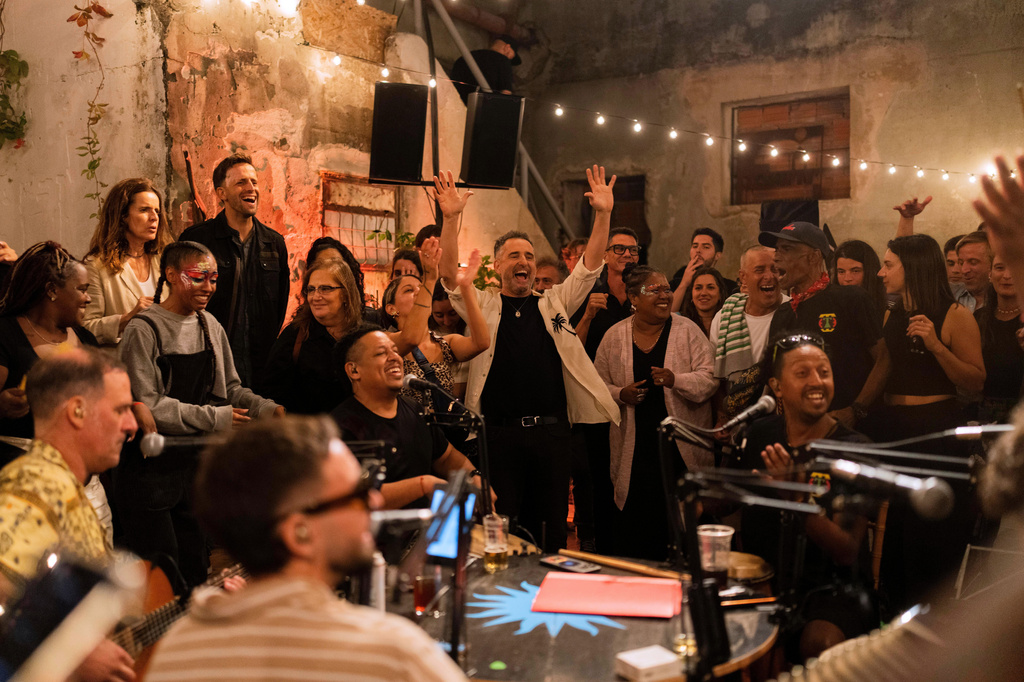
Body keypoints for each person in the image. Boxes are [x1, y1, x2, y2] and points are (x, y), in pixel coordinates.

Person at [145, 415, 467, 681]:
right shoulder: (392, 654)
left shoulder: (178, 650)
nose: (376, 500)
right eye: (357, 494)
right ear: (299, 533)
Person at [437, 167, 620, 551]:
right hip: (499, 435)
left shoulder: (554, 302)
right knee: (503, 529)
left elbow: (588, 268)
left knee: (553, 529)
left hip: (552, 435)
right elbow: (451, 279)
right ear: (497, 265)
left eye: (530, 256)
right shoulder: (483, 303)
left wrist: (602, 214)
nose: (524, 261)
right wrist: (451, 218)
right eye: (514, 255)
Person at [118, 240, 283, 587]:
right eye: (198, 278)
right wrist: (217, 419)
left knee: (195, 566)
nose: (208, 287)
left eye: (213, 279)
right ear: (172, 275)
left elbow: (232, 390)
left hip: (195, 468)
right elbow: (150, 404)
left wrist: (267, 409)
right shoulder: (144, 330)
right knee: (160, 572)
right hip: (152, 469)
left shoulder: (210, 326)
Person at [734, 332, 876, 661]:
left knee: (819, 643)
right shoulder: (762, 433)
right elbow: (734, 496)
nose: (817, 381)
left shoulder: (855, 450)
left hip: (831, 592)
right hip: (767, 581)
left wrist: (796, 501)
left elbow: (847, 552)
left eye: (824, 372)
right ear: (777, 387)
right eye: (802, 373)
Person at [0, 348, 138, 681]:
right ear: (77, 410)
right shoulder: (38, 484)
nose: (132, 424)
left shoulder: (62, 485)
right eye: (121, 410)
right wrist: (70, 655)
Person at [874, 233, 984, 612]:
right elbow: (885, 365)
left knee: (929, 537)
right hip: (896, 428)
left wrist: (937, 345)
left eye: (889, 265)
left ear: (914, 268)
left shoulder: (956, 315)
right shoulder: (893, 312)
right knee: (895, 533)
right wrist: (856, 408)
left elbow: (974, 381)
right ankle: (892, 617)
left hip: (934, 430)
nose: (880, 272)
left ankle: (931, 625)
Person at [594, 265, 717, 560]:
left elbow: (710, 378)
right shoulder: (614, 336)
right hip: (634, 450)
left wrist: (676, 379)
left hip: (681, 450)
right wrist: (620, 394)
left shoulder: (687, 330)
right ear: (634, 298)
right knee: (640, 528)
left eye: (667, 290)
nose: (664, 296)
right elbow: (596, 385)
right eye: (655, 290)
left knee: (685, 526)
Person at [330, 325, 484, 510]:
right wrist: (422, 485)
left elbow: (446, 457)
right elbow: (357, 498)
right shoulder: (342, 426)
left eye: (395, 351)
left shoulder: (415, 409)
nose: (395, 357)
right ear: (354, 370)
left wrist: (473, 476)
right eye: (381, 353)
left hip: (424, 532)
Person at [179, 153, 289, 389]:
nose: (251, 188)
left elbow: (279, 306)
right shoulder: (197, 239)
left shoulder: (274, 243)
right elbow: (182, 302)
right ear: (221, 193)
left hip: (261, 371)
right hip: (208, 365)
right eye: (241, 182)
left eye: (254, 182)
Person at [762, 221, 888, 424]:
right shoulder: (783, 313)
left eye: (786, 249)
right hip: (803, 431)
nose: (776, 256)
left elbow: (883, 359)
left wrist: (856, 409)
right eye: (776, 249)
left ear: (814, 257)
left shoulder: (851, 298)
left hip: (851, 431)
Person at [0, 243, 100, 448]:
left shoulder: (86, 339)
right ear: (52, 290)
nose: (88, 299)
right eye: (82, 289)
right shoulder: (7, 334)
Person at [380, 239, 488, 413]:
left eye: (420, 288)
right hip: (407, 434)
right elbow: (410, 338)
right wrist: (429, 278)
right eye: (409, 290)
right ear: (391, 308)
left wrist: (466, 288)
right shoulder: (385, 341)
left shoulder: (445, 343)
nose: (419, 292)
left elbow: (481, 342)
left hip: (442, 437)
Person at [260, 257, 363, 414]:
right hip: (308, 434)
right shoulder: (295, 336)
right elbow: (269, 395)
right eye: (311, 289)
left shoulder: (363, 336)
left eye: (325, 288)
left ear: (345, 293)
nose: (316, 297)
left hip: (357, 435)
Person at [82, 178, 172, 351]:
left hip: (163, 365)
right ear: (122, 215)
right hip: (122, 367)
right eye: (144, 210)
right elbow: (85, 329)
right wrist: (128, 318)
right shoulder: (97, 265)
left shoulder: (163, 260)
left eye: (157, 211)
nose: (154, 217)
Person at [710, 245, 784, 421]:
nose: (769, 276)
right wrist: (722, 416)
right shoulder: (724, 318)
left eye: (775, 269)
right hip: (737, 424)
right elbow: (714, 376)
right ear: (743, 277)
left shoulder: (792, 313)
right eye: (760, 270)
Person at [974, 254, 1024, 424]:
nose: (1007, 275)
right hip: (981, 412)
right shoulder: (978, 318)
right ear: (990, 274)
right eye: (1000, 268)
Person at [670, 227, 738, 311]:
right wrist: (684, 284)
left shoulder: (730, 287)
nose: (698, 250)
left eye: (706, 247)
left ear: (717, 255)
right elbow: (667, 316)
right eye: (695, 246)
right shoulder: (675, 284)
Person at [449, 34, 520, 104]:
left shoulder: (464, 58)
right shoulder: (503, 61)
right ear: (507, 48)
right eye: (510, 56)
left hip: (455, 106)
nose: (509, 60)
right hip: (481, 110)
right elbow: (505, 94)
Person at [831, 240, 886, 315]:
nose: (847, 278)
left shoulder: (889, 309)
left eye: (855, 271)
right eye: (841, 272)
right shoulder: (829, 307)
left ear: (870, 272)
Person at [680, 265, 726, 338]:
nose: (703, 293)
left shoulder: (730, 322)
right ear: (691, 294)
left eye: (710, 287)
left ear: (720, 294)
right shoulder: (680, 323)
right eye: (698, 288)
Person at [956, 231, 994, 311]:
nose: (964, 270)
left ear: (993, 263)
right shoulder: (951, 295)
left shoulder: (1006, 303)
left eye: (973, 262)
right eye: (961, 263)